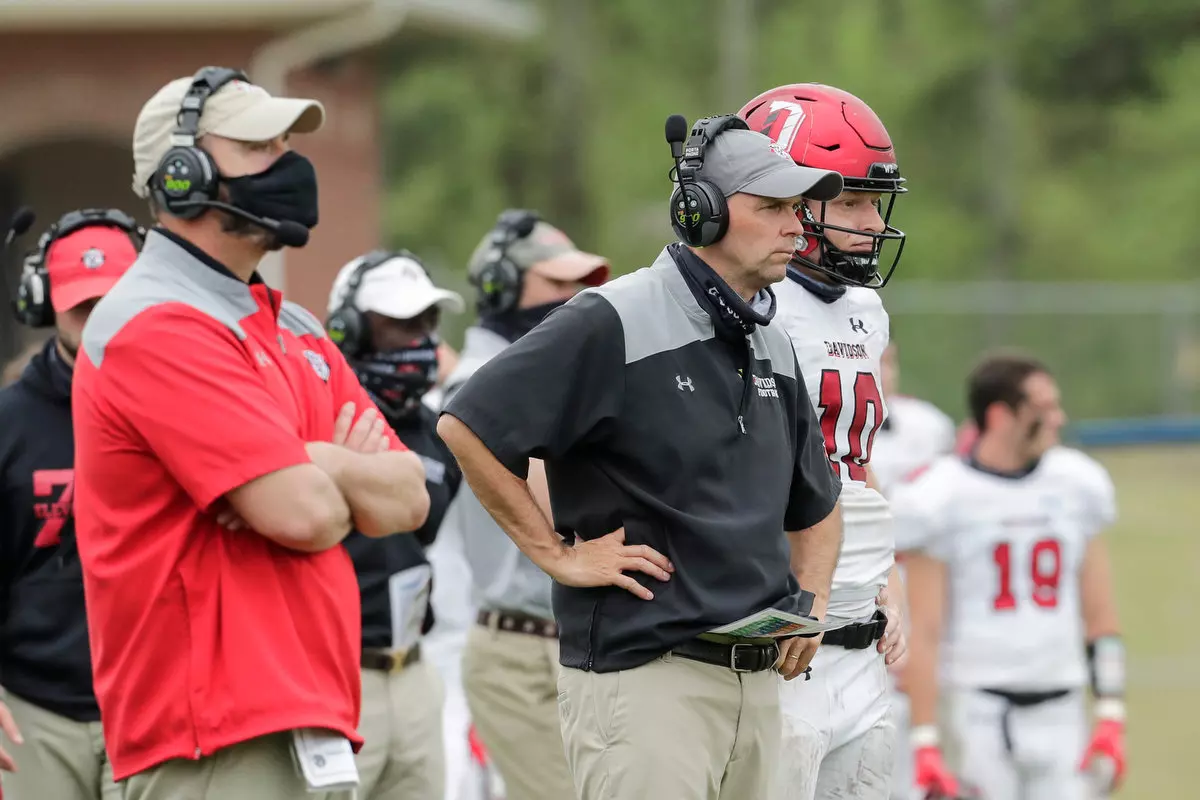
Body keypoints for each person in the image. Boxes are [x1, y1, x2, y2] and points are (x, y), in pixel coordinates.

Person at [437, 114, 846, 800]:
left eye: (798, 207)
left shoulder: (769, 340)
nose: (796, 225)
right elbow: (467, 425)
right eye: (772, 206)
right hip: (649, 681)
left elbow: (817, 505)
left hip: (757, 684)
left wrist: (814, 599)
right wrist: (556, 555)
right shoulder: (611, 317)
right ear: (703, 213)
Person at [70, 66, 430, 800]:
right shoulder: (155, 325)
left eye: (288, 143)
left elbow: (406, 498)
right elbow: (308, 514)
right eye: (259, 145)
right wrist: (327, 482)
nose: (289, 163)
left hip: (312, 724)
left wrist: (313, 457)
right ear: (181, 173)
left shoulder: (292, 326)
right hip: (210, 743)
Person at [739, 83, 910, 800]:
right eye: (849, 202)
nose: (872, 222)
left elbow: (855, 461)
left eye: (876, 201)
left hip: (859, 638)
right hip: (779, 638)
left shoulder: (866, 310)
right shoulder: (745, 308)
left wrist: (887, 574)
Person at [895, 352, 1126, 800]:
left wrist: (1112, 713)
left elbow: (1101, 614)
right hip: (977, 712)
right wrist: (925, 741)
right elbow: (923, 630)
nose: (1058, 419)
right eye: (1044, 408)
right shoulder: (940, 495)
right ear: (1001, 415)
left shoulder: (1079, 483)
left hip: (1063, 708)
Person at [438, 208, 611, 800]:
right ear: (502, 287)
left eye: (582, 286)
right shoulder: (476, 380)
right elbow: (560, 503)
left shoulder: (542, 376)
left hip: (565, 641)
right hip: (517, 649)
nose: (574, 299)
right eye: (557, 284)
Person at [0, 209, 144, 800]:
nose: (99, 323)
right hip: (35, 712)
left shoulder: (181, 411)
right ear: (44, 303)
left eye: (112, 304)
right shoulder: (9, 424)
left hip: (149, 707)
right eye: (83, 307)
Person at [324, 249, 466, 800]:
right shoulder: (317, 412)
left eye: (428, 321)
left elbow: (424, 530)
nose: (421, 338)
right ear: (350, 328)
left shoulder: (434, 428)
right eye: (401, 323)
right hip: (338, 671)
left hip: (412, 667)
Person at [870, 340, 957, 800]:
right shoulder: (817, 422)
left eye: (889, 361)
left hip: (912, 593)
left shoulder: (928, 428)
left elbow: (934, 521)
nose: (884, 372)